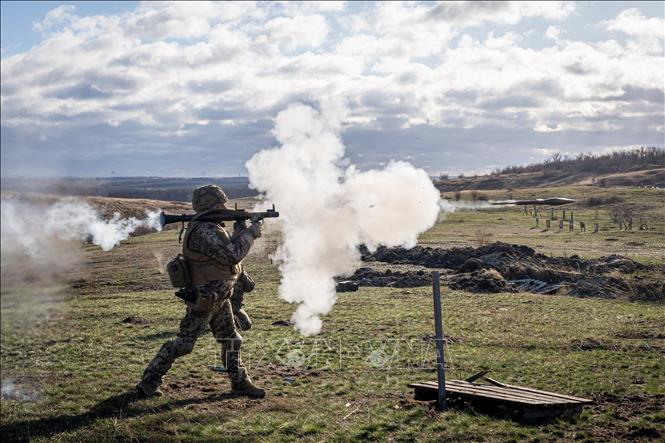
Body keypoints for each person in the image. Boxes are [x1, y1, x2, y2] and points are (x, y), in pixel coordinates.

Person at [137, 184, 264, 398]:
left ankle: (240, 382)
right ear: (210, 205)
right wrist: (250, 233)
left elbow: (225, 253)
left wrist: (240, 230)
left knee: (232, 340)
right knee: (185, 343)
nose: (224, 207)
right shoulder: (203, 231)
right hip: (205, 298)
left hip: (219, 297)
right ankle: (149, 380)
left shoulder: (211, 227)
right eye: (220, 204)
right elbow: (231, 255)